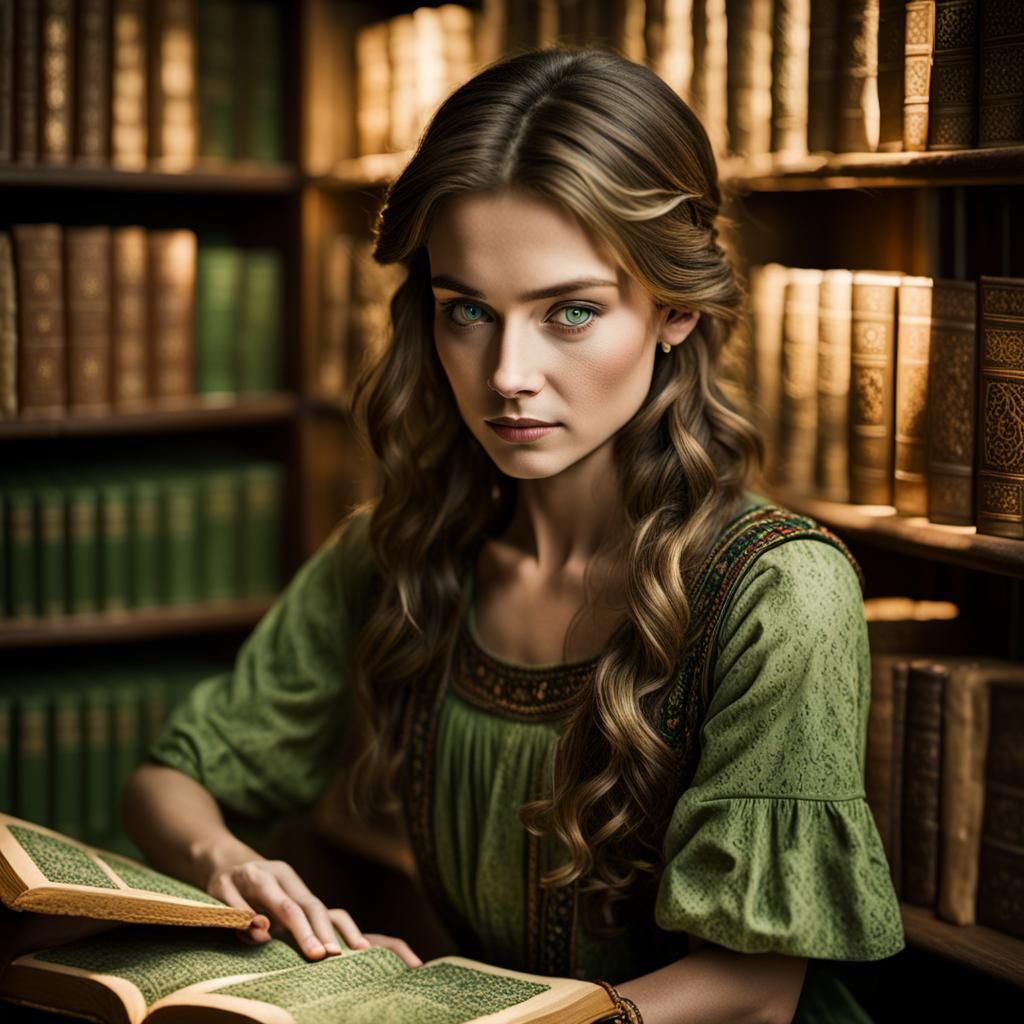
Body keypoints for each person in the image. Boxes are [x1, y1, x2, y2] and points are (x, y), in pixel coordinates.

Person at [116, 47, 903, 1024]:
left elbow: (750, 989)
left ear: (676, 311)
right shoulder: (401, 553)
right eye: (468, 313)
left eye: (568, 311)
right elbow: (168, 781)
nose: (506, 373)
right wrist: (233, 862)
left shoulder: (780, 591)